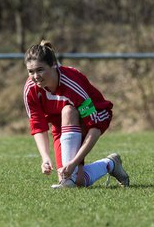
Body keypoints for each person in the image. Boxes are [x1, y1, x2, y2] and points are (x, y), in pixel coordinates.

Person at [23, 40, 130, 189]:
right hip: (62, 126)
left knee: (68, 110)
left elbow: (95, 127)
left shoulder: (72, 84)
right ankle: (111, 164)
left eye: (40, 70)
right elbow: (38, 125)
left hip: (96, 116)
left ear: (53, 64)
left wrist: (74, 162)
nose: (35, 76)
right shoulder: (31, 89)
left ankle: (68, 181)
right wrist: (45, 158)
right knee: (78, 181)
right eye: (31, 71)